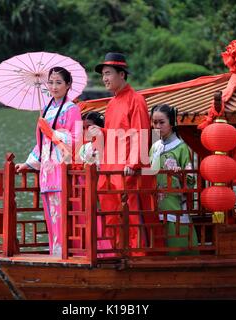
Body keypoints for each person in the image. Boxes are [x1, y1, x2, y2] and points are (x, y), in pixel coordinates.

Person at [89, 53, 162, 255]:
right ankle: (117, 251)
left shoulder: (136, 100)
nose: (104, 78)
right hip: (111, 168)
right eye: (103, 74)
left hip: (128, 170)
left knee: (131, 213)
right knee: (112, 213)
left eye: (108, 74)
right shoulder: (112, 103)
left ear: (122, 74)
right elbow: (114, 135)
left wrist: (134, 163)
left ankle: (138, 254)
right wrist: (100, 133)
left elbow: (141, 132)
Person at [15, 66, 82, 258]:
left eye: (59, 82)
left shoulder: (72, 109)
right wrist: (28, 163)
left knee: (62, 213)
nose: (54, 86)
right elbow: (41, 144)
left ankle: (66, 253)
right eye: (51, 82)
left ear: (68, 85)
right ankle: (55, 252)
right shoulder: (45, 110)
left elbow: (77, 140)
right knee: (50, 214)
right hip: (46, 169)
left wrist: (52, 132)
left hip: (62, 168)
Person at [149, 104, 199, 255]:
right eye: (154, 122)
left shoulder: (182, 147)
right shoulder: (155, 146)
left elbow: (191, 179)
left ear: (172, 122)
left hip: (174, 202)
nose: (157, 126)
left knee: (178, 242)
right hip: (155, 202)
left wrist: (180, 174)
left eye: (161, 122)